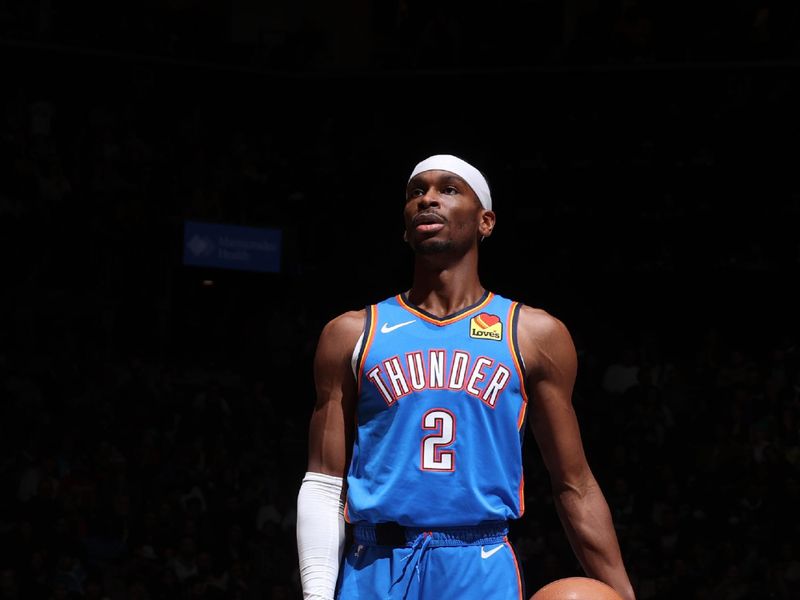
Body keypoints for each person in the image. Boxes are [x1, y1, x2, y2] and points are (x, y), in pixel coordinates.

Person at [296, 154, 636, 600]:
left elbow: (574, 482)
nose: (428, 199)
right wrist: (317, 593)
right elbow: (323, 483)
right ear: (404, 224)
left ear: (486, 221)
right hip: (373, 564)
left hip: (478, 562)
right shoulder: (352, 333)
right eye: (417, 191)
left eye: (448, 189)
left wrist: (623, 591)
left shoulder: (532, 333)